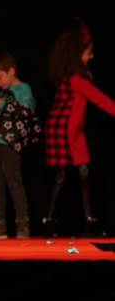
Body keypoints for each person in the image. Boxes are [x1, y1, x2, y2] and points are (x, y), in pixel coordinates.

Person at [43, 22, 115, 236]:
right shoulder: (76, 80)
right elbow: (100, 100)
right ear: (77, 54)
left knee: (75, 174)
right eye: (88, 52)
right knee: (70, 174)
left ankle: (72, 219)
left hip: (68, 130)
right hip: (67, 132)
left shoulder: (68, 78)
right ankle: (60, 219)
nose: (91, 57)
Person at [0, 51, 38, 238]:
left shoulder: (24, 89)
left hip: (9, 143)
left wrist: (1, 104)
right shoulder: (3, 92)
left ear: (11, 71)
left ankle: (22, 223)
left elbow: (28, 112)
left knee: (14, 182)